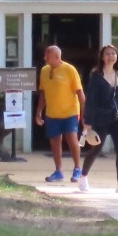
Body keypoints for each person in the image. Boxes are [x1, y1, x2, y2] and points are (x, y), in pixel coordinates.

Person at [80, 43, 118, 193]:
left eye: (113, 53)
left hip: (116, 116)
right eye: (108, 54)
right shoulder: (96, 75)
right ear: (102, 57)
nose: (111, 56)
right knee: (96, 148)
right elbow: (91, 99)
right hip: (100, 117)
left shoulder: (117, 74)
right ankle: (83, 177)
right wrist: (88, 120)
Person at [33, 44, 86, 184]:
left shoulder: (70, 70)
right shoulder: (44, 71)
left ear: (57, 56)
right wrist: (39, 112)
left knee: (72, 140)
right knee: (55, 142)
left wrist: (85, 112)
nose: (44, 58)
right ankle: (58, 171)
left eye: (47, 55)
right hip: (52, 113)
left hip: (70, 112)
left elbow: (80, 93)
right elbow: (43, 93)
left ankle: (77, 168)